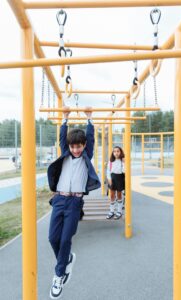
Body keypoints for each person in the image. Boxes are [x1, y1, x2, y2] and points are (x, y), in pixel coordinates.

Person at [47, 107, 101, 299]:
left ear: (84, 146)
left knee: (65, 239)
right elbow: (63, 137)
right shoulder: (65, 155)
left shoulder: (87, 155)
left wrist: (89, 119)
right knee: (53, 238)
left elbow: (91, 139)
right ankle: (66, 259)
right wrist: (65, 118)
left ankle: (59, 275)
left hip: (75, 202)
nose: (75, 149)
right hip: (59, 199)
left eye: (79, 146)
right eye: (73, 147)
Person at [106, 146, 125, 220]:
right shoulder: (111, 161)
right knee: (112, 195)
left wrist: (124, 163)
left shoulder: (122, 161)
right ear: (113, 153)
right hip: (112, 179)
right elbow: (108, 171)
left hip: (119, 178)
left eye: (118, 151)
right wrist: (109, 179)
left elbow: (124, 171)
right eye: (114, 151)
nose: (116, 153)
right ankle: (111, 211)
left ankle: (119, 211)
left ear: (120, 152)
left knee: (119, 195)